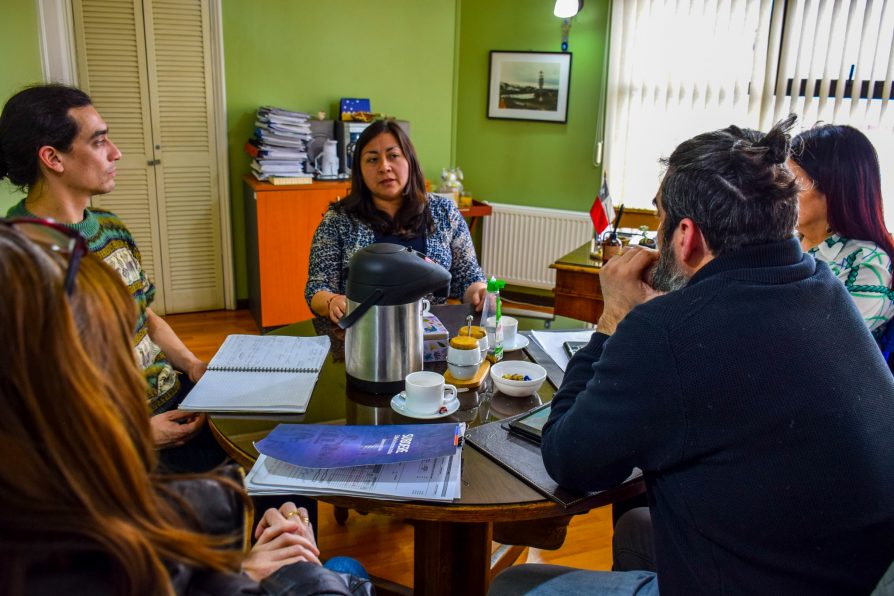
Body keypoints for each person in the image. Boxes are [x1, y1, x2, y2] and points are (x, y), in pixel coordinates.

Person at [490, 116, 894, 595]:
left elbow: (569, 459)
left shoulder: (667, 332)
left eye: (660, 218)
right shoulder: (827, 289)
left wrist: (615, 315)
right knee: (637, 528)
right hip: (855, 572)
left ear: (686, 235)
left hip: (769, 580)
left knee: (515, 585)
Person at [0, 221, 371, 595]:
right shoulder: (64, 545)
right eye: (105, 340)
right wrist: (245, 573)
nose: (130, 360)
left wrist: (250, 555)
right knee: (343, 569)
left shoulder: (46, 478)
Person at [0, 84, 221, 472]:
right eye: (99, 141)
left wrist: (192, 365)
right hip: (109, 438)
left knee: (282, 445)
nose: (116, 152)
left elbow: (145, 318)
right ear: (52, 158)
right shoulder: (17, 257)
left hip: (173, 397)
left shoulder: (109, 227)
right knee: (213, 507)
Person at [306, 119, 486, 323]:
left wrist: (480, 292)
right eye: (372, 159)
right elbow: (317, 289)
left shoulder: (444, 211)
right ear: (359, 170)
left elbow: (468, 276)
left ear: (409, 160)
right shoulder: (338, 220)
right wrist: (332, 301)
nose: (384, 167)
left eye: (393, 156)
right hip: (364, 335)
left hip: (429, 336)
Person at [789, 123, 894, 338]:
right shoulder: (784, 243)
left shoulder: (867, 261)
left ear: (834, 188)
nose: (782, 191)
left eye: (794, 181)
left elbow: (831, 341)